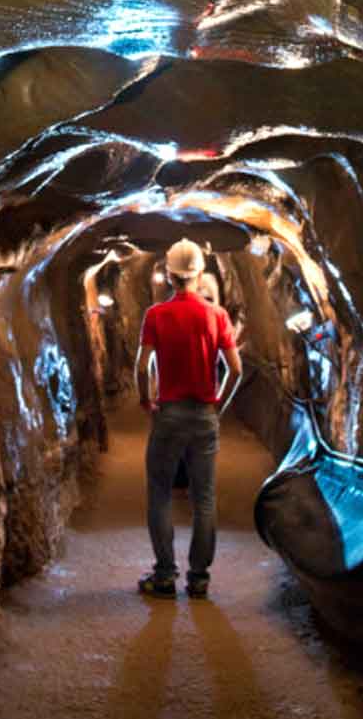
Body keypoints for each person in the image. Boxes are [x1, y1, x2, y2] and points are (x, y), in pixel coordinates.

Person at [134, 238, 242, 600]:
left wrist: (146, 400)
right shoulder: (217, 316)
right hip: (203, 415)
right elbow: (235, 369)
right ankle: (199, 578)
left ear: (169, 274)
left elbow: (142, 363)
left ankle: (164, 574)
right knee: (204, 498)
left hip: (169, 414)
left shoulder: (156, 315)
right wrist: (218, 405)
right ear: (200, 274)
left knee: (160, 495)